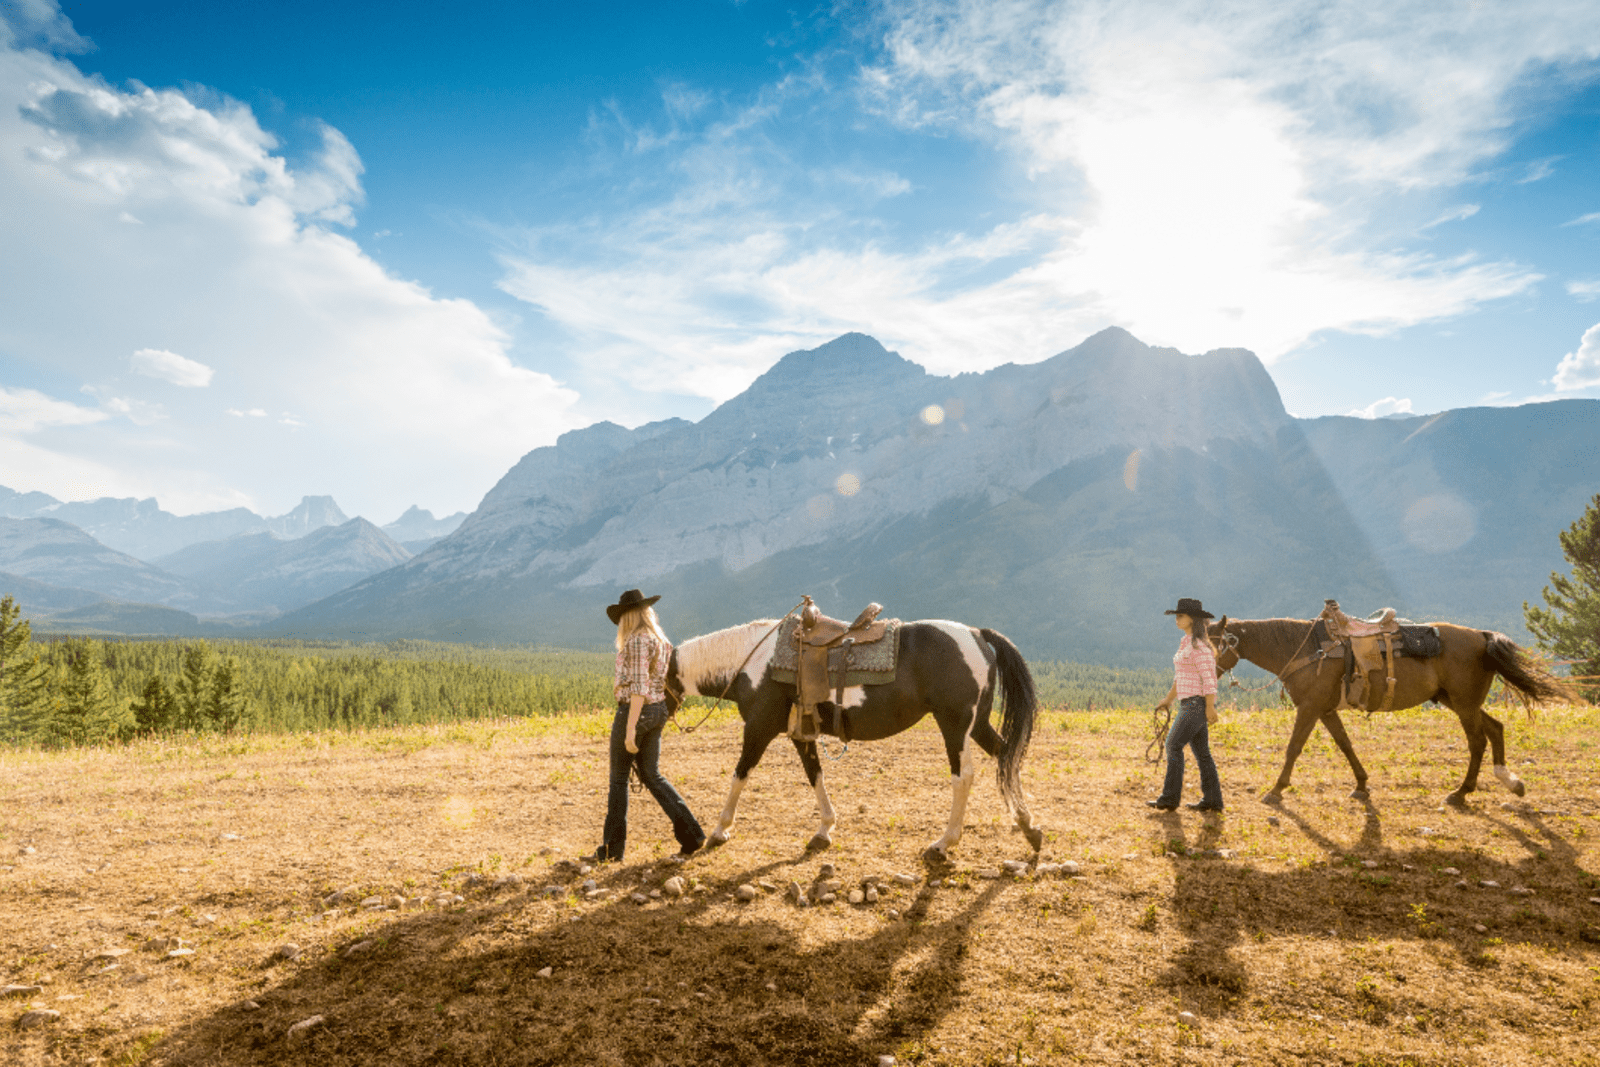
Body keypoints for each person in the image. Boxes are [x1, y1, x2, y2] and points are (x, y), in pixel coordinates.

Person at [586, 589, 706, 863]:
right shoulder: (660, 640)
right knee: (653, 776)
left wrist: (630, 730)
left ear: (629, 615)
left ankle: (612, 850)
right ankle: (693, 835)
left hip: (636, 711)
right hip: (658, 711)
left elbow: (639, 687)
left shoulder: (638, 641)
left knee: (618, 781)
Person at [1148, 597, 1224, 812]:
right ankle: (1212, 800)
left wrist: (1210, 706)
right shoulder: (1186, 643)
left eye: (1180, 616)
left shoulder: (1199, 647)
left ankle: (1170, 799)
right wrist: (1168, 699)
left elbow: (1209, 679)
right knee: (1202, 753)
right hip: (1190, 704)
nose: (1177, 619)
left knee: (1173, 745)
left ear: (1192, 619)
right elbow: (1180, 677)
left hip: (1195, 705)